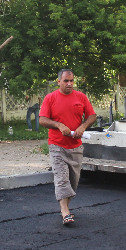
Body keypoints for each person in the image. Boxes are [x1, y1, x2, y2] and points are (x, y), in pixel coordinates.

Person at [39, 69, 97, 226]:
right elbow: (42, 119)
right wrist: (58, 125)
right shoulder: (50, 98)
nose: (69, 83)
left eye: (71, 81)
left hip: (76, 146)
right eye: (66, 81)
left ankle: (66, 207)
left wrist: (83, 127)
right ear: (59, 82)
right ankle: (65, 212)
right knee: (61, 178)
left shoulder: (81, 97)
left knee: (73, 181)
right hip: (57, 145)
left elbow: (92, 116)